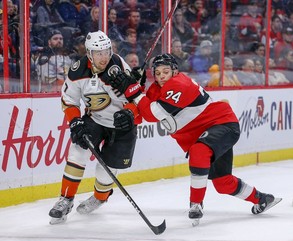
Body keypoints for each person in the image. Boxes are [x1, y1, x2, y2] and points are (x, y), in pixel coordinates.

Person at [107, 53, 281, 224]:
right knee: (223, 183)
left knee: (199, 151)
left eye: (165, 71)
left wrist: (134, 91)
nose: (161, 76)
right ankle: (262, 199)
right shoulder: (155, 90)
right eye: (157, 73)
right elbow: (141, 115)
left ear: (175, 71)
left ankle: (195, 205)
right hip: (206, 135)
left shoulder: (180, 84)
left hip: (222, 124)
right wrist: (133, 95)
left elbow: (153, 114)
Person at [48, 30, 138, 224]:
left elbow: (137, 99)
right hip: (95, 119)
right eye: (99, 53)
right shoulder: (77, 70)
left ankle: (100, 197)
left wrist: (129, 112)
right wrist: (75, 120)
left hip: (121, 124)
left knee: (104, 171)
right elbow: (69, 100)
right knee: (77, 152)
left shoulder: (119, 66)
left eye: (106, 51)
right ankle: (65, 199)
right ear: (89, 53)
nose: (104, 57)